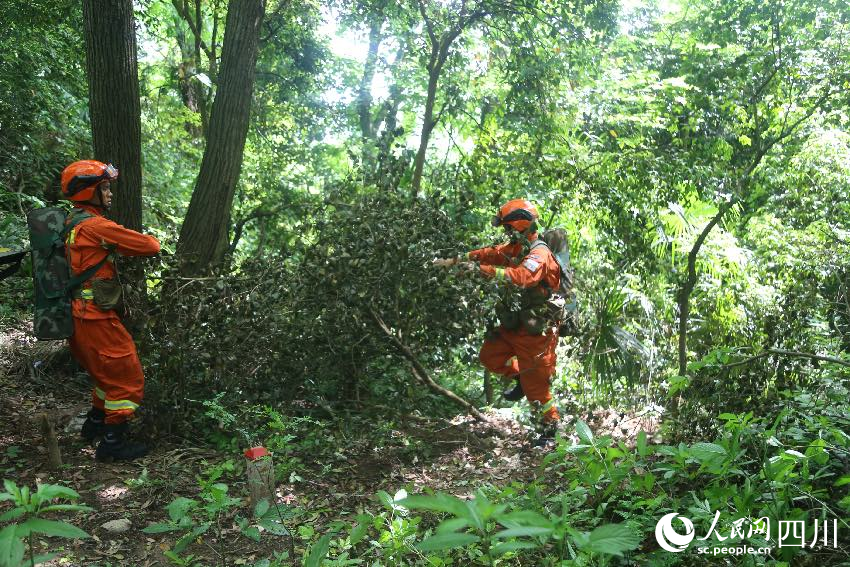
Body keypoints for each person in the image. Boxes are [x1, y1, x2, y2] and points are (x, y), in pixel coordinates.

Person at [436, 199, 562, 447]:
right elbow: (492, 253)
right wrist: (458, 259)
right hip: (516, 323)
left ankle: (549, 433)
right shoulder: (517, 248)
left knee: (538, 388)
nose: (506, 234)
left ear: (520, 226)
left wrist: (482, 271)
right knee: (490, 356)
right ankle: (519, 380)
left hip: (537, 332)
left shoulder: (540, 253)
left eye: (508, 229)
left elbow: (522, 277)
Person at [60, 160, 161, 461]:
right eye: (104, 187)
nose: (109, 193)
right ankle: (113, 443)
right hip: (95, 316)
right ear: (90, 191)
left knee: (105, 375)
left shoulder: (71, 222)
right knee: (127, 378)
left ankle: (93, 425)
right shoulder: (96, 227)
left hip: (77, 315)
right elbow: (150, 246)